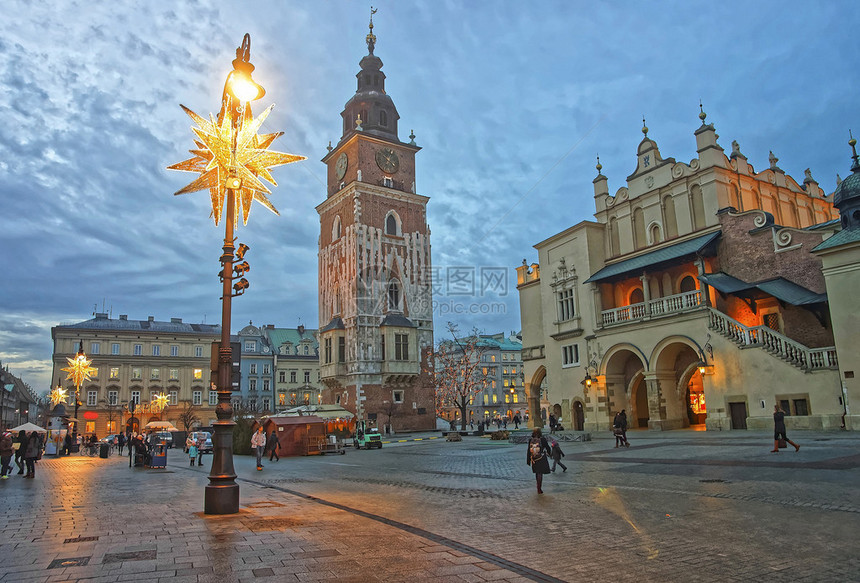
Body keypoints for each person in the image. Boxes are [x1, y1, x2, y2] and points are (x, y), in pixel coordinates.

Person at [526, 428, 552, 494]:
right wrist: (550, 453)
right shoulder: (542, 439)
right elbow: (548, 447)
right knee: (540, 473)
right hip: (541, 458)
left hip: (534, 458)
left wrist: (528, 460)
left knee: (537, 472)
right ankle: (539, 488)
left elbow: (528, 450)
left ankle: (538, 486)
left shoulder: (530, 440)